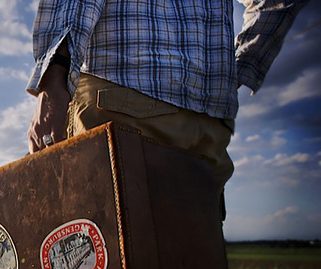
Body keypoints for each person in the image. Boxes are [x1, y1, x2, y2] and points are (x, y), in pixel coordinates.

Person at [26, 0, 309, 217]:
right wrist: (240, 67)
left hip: (123, 93)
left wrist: (54, 79)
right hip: (209, 117)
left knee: (108, 266)